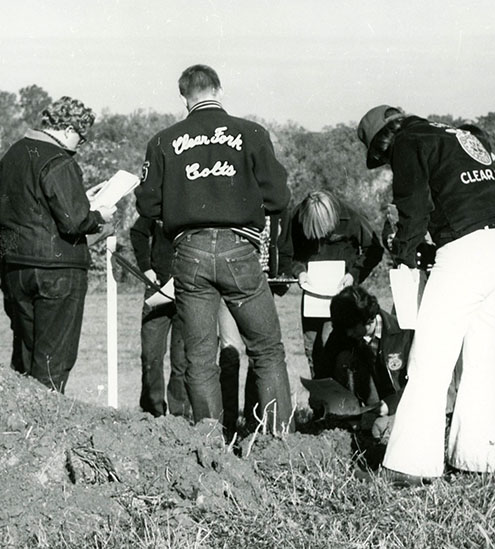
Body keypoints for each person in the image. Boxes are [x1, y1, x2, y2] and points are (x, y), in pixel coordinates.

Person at [358, 105, 495, 485]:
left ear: (385, 141)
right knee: (482, 355)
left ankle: (409, 466)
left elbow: (412, 209)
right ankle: (479, 457)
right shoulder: (454, 135)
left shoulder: (407, 143)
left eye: (384, 160)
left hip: (472, 250)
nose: (389, 165)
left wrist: (402, 259)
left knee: (430, 358)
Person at [135, 64, 294, 433]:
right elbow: (279, 196)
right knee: (267, 349)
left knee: (200, 357)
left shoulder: (162, 140)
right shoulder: (252, 133)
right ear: (218, 90)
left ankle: (209, 442)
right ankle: (278, 442)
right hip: (239, 250)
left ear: (183, 97)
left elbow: (147, 206)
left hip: (188, 254)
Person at [0, 96, 116, 392]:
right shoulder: (58, 159)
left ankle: (21, 426)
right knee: (52, 364)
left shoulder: (12, 155)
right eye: (81, 139)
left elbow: (12, 205)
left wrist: (78, 195)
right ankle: (43, 432)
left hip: (17, 269)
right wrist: (99, 215)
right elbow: (75, 222)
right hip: (58, 270)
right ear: (70, 129)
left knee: (26, 359)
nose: (79, 145)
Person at [282, 190, 384, 378]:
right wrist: (299, 272)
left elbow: (375, 248)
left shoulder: (350, 217)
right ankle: (321, 401)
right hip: (312, 293)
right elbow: (288, 252)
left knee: (332, 344)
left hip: (340, 294)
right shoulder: (296, 218)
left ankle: (341, 399)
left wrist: (354, 275)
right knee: (312, 347)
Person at [320, 285, 414, 440]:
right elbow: (325, 366)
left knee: (380, 432)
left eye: (352, 328)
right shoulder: (343, 330)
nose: (348, 333)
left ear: (368, 320)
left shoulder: (403, 334)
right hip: (364, 407)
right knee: (344, 358)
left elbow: (417, 382)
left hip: (395, 404)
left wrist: (390, 405)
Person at [130, 216, 191, 418]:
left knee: (182, 360)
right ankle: (151, 413)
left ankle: (179, 418)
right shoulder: (156, 205)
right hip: (157, 290)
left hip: (188, 290)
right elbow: (138, 232)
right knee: (151, 355)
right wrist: (145, 267)